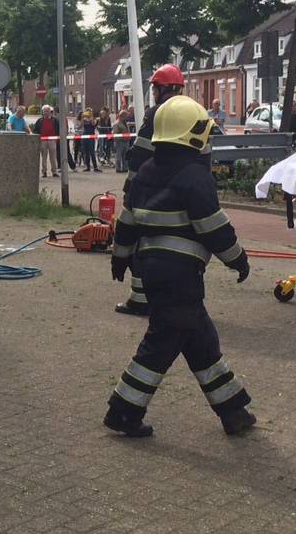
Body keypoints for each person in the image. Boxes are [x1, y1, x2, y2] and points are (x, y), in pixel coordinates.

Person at [106, 95, 256, 438]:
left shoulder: (144, 172)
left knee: (201, 340)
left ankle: (233, 410)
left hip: (153, 272)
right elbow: (214, 227)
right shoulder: (195, 176)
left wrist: (121, 256)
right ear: (192, 135)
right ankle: (123, 411)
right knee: (160, 346)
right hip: (180, 277)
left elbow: (127, 220)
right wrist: (239, 260)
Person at [116, 64, 187, 316]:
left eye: (155, 88)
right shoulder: (193, 115)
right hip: (184, 191)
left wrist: (130, 188)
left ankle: (139, 300)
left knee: (140, 242)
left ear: (162, 88)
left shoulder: (157, 114)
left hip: (150, 188)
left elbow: (141, 155)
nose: (154, 93)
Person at [34, 105, 61, 177]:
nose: (46, 113)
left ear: (50, 112)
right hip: (43, 140)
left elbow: (58, 130)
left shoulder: (55, 120)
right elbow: (36, 130)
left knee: (53, 157)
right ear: (43, 112)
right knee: (44, 157)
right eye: (45, 111)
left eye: (47, 111)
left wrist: (57, 138)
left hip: (52, 140)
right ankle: (44, 172)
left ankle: (54, 171)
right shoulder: (39, 120)